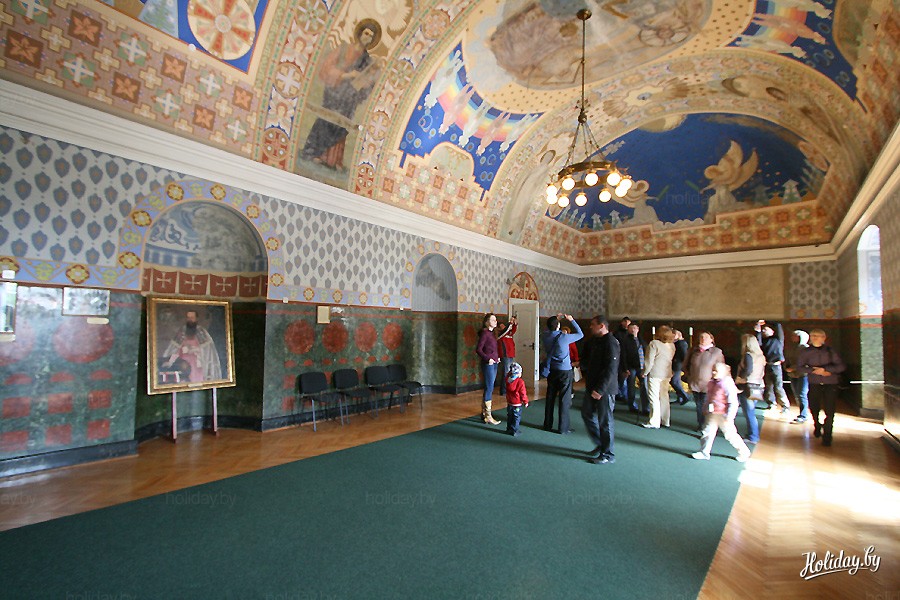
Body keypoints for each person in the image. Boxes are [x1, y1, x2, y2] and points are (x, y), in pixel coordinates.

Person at [300, 20, 384, 169]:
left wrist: (366, 83)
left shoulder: (368, 60)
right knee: (326, 121)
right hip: (334, 93)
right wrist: (347, 75)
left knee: (342, 126)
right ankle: (314, 152)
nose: (368, 38)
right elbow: (327, 68)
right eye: (366, 33)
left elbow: (367, 85)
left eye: (371, 36)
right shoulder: (344, 49)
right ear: (360, 33)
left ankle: (332, 160)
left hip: (350, 99)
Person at [692, 363, 751, 463]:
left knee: (730, 435)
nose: (713, 372)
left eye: (716, 371)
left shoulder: (727, 383)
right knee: (707, 432)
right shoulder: (712, 383)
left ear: (724, 372)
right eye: (713, 370)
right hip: (712, 412)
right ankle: (704, 452)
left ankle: (744, 452)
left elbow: (733, 402)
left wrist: (729, 416)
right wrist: (705, 408)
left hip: (724, 414)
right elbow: (709, 397)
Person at [795, 329, 846, 446]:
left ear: (824, 338)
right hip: (814, 382)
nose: (815, 338)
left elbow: (841, 366)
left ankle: (827, 435)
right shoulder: (805, 352)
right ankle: (817, 424)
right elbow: (800, 367)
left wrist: (827, 370)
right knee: (814, 406)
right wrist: (813, 370)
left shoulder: (830, 351)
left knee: (830, 409)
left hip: (830, 383)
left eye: (818, 336)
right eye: (813, 335)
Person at [581, 316, 620, 465]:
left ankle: (608, 454)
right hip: (592, 386)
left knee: (605, 421)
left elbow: (611, 368)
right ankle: (601, 444)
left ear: (602, 326)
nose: (590, 327)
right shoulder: (595, 341)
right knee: (586, 413)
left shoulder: (611, 342)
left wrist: (600, 389)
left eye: (593, 325)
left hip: (605, 389)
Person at [542, 313, 583, 434]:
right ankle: (563, 428)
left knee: (550, 398)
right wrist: (572, 320)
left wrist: (556, 319)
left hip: (552, 370)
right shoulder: (564, 337)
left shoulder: (545, 336)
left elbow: (548, 329)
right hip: (565, 371)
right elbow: (581, 334)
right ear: (558, 326)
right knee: (564, 399)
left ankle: (547, 424)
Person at [160, 309, 222, 384]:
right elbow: (175, 350)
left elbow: (207, 351)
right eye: (188, 317)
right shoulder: (182, 331)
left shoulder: (202, 332)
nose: (190, 319)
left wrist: (194, 350)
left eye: (192, 317)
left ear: (196, 319)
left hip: (197, 365)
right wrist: (170, 361)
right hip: (183, 364)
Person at [684, 331, 725, 430]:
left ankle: (707, 425)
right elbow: (686, 365)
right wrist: (689, 376)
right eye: (701, 337)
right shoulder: (693, 351)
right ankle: (701, 424)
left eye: (706, 337)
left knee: (706, 405)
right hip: (695, 383)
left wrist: (716, 380)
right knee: (699, 405)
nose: (703, 339)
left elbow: (721, 367)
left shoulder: (716, 352)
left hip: (708, 384)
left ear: (711, 339)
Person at [642, 326, 675, 428]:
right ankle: (665, 420)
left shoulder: (654, 344)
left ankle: (654, 421)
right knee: (664, 397)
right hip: (666, 374)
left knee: (654, 397)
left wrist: (645, 372)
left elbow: (649, 361)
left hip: (655, 373)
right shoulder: (672, 345)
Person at [755, 320, 791, 415]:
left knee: (778, 387)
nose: (764, 330)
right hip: (767, 365)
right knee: (768, 387)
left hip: (776, 366)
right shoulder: (763, 342)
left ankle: (785, 406)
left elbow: (778, 325)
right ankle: (771, 403)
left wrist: (766, 321)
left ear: (772, 331)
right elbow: (758, 340)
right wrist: (758, 329)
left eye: (766, 329)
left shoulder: (778, 339)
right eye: (763, 330)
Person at [735, 334, 766, 444]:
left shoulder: (748, 355)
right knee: (751, 411)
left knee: (749, 413)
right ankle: (752, 434)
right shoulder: (761, 356)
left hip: (748, 385)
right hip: (758, 385)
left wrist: (740, 379)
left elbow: (748, 370)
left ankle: (753, 436)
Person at [475, 313, 502, 425]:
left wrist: (496, 358)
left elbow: (492, 349)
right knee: (489, 388)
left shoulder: (492, 333)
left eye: (495, 319)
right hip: (488, 364)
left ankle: (484, 413)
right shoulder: (485, 333)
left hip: (494, 363)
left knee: (489, 387)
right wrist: (488, 359)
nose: (495, 321)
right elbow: (479, 349)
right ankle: (488, 416)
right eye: (492, 320)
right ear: (486, 322)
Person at [620, 322, 648, 414]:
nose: (633, 330)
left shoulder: (641, 340)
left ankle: (645, 407)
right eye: (631, 328)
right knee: (631, 387)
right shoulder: (625, 341)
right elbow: (623, 355)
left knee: (644, 387)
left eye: (634, 328)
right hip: (631, 366)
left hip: (642, 366)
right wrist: (625, 368)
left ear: (638, 329)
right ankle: (632, 406)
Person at [784, 329, 811, 424]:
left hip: (803, 375)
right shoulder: (791, 348)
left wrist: (794, 368)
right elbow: (787, 359)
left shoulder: (806, 348)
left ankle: (804, 415)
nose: (792, 338)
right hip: (792, 374)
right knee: (797, 395)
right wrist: (787, 367)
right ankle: (802, 413)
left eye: (795, 336)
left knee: (802, 394)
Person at [505, 362, 529, 437]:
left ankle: (509, 429)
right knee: (516, 417)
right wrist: (525, 401)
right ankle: (514, 430)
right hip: (517, 403)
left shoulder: (508, 379)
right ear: (518, 373)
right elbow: (523, 393)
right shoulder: (520, 382)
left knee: (510, 416)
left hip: (509, 402)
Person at [497, 316, 518, 395]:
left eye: (504, 326)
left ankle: (509, 389)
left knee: (510, 372)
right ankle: (503, 391)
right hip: (505, 355)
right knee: (506, 373)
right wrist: (510, 323)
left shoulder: (508, 333)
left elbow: (513, 331)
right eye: (502, 326)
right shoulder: (500, 334)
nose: (504, 327)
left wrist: (515, 324)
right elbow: (505, 331)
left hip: (510, 354)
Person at [612, 316, 631, 403]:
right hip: (619, 356)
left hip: (628, 357)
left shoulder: (630, 333)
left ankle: (624, 395)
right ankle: (621, 394)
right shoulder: (617, 333)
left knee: (625, 378)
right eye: (625, 322)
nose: (626, 324)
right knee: (621, 377)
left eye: (628, 322)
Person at [669, 329, 691, 405]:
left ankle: (685, 396)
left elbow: (683, 355)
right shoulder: (677, 343)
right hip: (675, 364)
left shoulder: (681, 343)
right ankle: (680, 398)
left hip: (677, 365)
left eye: (673, 334)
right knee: (676, 381)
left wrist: (683, 364)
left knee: (674, 381)